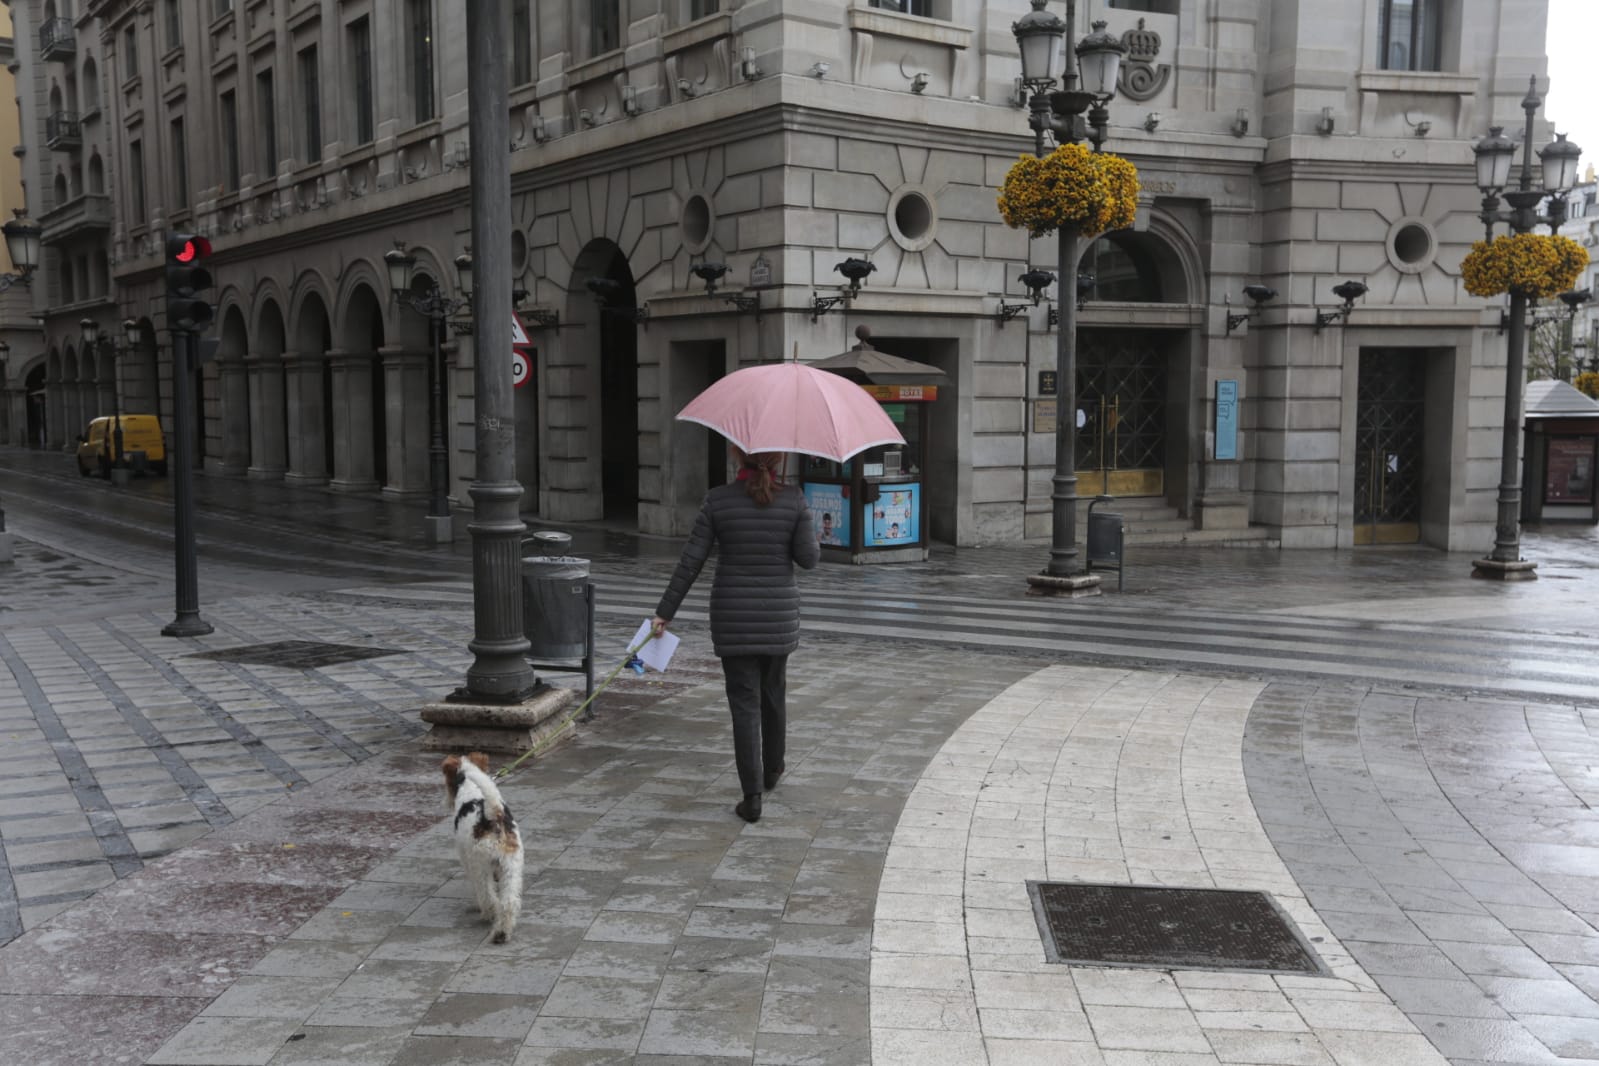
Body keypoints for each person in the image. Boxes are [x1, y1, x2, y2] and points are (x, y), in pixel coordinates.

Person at [653, 446, 819, 823]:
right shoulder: (794, 499)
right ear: (778, 461)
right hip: (778, 616)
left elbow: (691, 560)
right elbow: (809, 560)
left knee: (744, 705)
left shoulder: (718, 500)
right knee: (774, 692)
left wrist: (665, 612)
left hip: (732, 616)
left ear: (735, 457)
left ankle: (752, 797)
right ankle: (773, 768)